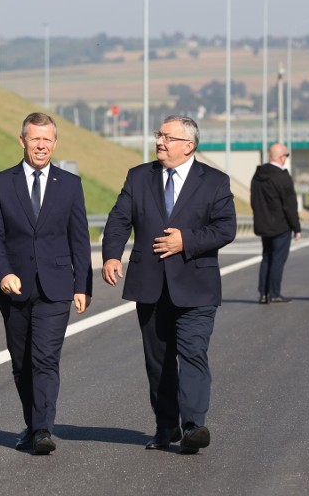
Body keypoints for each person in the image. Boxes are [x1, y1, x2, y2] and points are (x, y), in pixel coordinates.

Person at [101, 115, 236, 455]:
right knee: (158, 362)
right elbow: (119, 218)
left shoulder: (215, 181)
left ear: (189, 146)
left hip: (196, 286)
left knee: (192, 353)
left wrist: (186, 241)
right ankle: (166, 427)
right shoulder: (139, 176)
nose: (159, 141)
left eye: (168, 137)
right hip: (150, 285)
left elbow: (225, 229)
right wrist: (112, 256)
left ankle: (193, 425)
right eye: (158, 135)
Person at [0, 112, 92, 455]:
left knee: (45, 358)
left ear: (55, 143)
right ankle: (32, 424)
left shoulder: (70, 185)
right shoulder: (0, 183)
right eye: (35, 139)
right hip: (13, 288)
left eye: (47, 140)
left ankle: (43, 429)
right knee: (21, 362)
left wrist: (82, 285)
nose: (41, 145)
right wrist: (3, 272)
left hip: (56, 286)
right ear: (22, 140)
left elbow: (80, 237)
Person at [250, 143, 302, 304]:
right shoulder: (282, 177)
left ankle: (263, 294)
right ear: (281, 157)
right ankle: (274, 293)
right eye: (286, 155)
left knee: (266, 258)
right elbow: (290, 205)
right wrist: (296, 228)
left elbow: (254, 200)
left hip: (263, 224)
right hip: (281, 226)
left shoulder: (258, 175)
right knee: (278, 260)